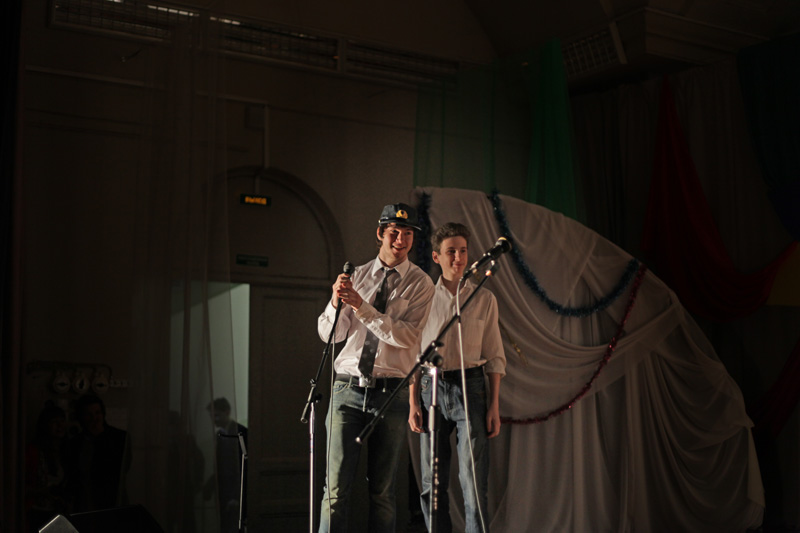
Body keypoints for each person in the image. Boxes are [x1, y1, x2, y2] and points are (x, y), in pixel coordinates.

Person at [317, 202, 435, 533]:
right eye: (394, 232)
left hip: (391, 394)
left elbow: (406, 337)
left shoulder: (421, 284)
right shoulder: (356, 275)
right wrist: (335, 301)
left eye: (408, 234)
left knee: (383, 492)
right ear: (380, 233)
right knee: (335, 491)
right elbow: (330, 335)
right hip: (347, 389)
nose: (401, 240)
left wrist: (361, 306)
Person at [408, 222, 506, 533]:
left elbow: (494, 355)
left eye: (463, 251)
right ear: (436, 256)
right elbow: (414, 354)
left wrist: (494, 405)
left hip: (471, 386)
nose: (459, 258)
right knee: (432, 481)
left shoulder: (483, 299)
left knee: (473, 480)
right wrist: (413, 403)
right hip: (431, 386)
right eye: (451, 252)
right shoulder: (424, 299)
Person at [64, 394, 132, 512]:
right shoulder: (75, 443)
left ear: (103, 414)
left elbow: (121, 469)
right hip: (83, 503)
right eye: (88, 414)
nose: (94, 418)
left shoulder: (119, 438)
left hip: (111, 503)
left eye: (97, 413)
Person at [203, 397, 247, 533]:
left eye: (216, 415)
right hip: (224, 493)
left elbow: (242, 466)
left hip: (235, 494)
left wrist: (237, 496)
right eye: (212, 416)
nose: (214, 420)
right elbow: (221, 465)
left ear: (227, 412)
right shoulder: (220, 434)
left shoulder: (241, 432)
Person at [25, 400, 69, 532]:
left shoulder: (66, 450)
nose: (60, 426)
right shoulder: (33, 451)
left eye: (62, 421)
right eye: (54, 422)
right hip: (36, 510)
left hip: (58, 511)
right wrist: (43, 492)